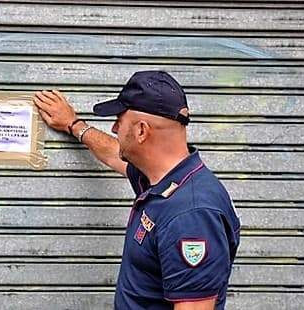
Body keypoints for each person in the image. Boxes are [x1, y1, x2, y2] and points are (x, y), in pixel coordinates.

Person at [32, 71, 240, 310]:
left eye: (119, 121)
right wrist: (74, 125)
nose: (113, 128)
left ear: (141, 131)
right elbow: (114, 152)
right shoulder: (162, 179)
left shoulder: (190, 214)